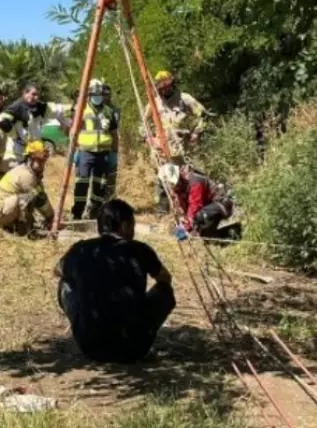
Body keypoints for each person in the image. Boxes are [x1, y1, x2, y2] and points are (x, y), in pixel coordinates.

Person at [55, 198, 176, 363]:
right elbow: (165, 279)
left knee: (65, 284)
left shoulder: (81, 249)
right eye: (132, 224)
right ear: (125, 225)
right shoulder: (140, 250)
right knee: (165, 291)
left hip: (90, 348)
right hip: (135, 348)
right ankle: (140, 331)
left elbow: (57, 270)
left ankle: (85, 326)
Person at [150, 70, 208, 214]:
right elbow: (142, 125)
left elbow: (204, 115)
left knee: (183, 179)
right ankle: (162, 211)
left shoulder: (184, 98)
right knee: (162, 179)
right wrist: (149, 138)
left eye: (168, 86)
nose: (165, 89)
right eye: (162, 87)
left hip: (181, 148)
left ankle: (188, 209)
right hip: (161, 149)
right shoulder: (154, 103)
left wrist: (196, 132)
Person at [71, 80, 120, 220]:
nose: (97, 97)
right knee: (82, 183)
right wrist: (74, 150)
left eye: (100, 94)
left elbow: (114, 134)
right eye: (94, 94)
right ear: (89, 95)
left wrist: (114, 153)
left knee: (99, 184)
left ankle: (94, 212)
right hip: (86, 152)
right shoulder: (81, 110)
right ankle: (77, 213)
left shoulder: (109, 112)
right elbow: (74, 131)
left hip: (103, 153)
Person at [0, 140, 55, 235]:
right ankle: (22, 230)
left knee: (30, 197)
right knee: (28, 198)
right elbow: (40, 199)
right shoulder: (26, 175)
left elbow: (41, 195)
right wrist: (52, 218)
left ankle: (18, 226)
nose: (42, 164)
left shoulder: (30, 172)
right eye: (39, 161)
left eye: (43, 161)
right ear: (30, 159)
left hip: (2, 208)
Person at [0, 82, 70, 171]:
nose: (35, 97)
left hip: (35, 149)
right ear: (25, 93)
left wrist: (64, 123)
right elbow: (2, 121)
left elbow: (58, 110)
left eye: (37, 95)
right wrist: (14, 135)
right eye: (33, 94)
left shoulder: (41, 107)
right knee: (14, 175)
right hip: (18, 149)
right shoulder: (16, 107)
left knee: (35, 176)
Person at [157, 163, 235, 239]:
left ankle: (235, 232)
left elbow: (195, 205)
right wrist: (183, 221)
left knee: (199, 216)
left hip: (221, 204)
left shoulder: (195, 181)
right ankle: (228, 233)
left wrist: (184, 228)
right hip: (207, 205)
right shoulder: (181, 182)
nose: (173, 186)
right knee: (205, 236)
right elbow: (184, 206)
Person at [102, 83, 120, 201]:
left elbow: (115, 129)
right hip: (98, 148)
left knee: (111, 176)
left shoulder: (114, 110)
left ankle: (110, 198)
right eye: (104, 94)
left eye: (109, 94)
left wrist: (115, 150)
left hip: (111, 146)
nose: (107, 97)